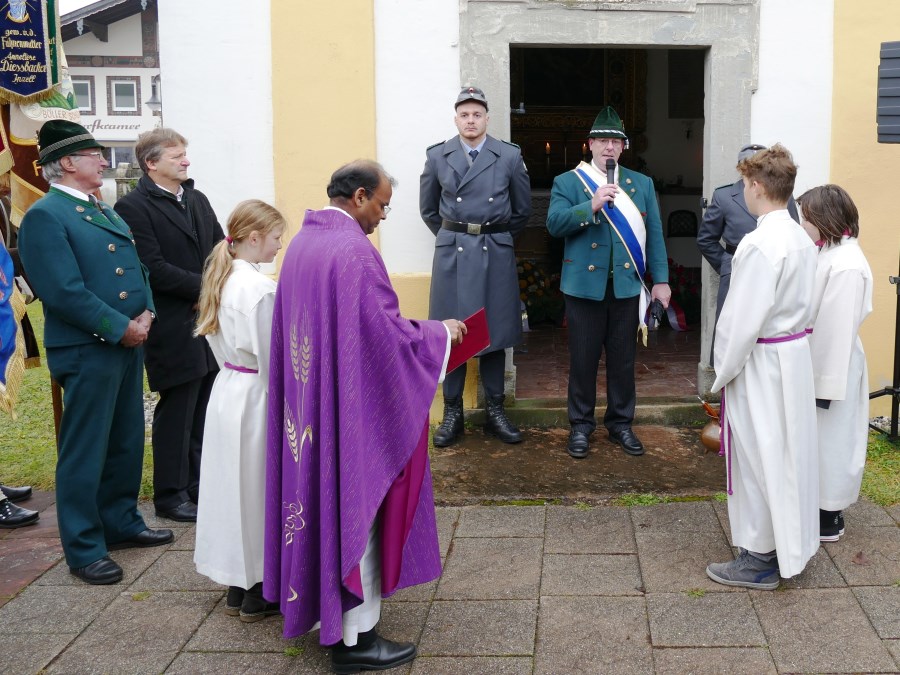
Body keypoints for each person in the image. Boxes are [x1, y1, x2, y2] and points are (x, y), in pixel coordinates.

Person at [265, 160, 466, 673]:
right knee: (360, 505)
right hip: (345, 415)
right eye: (381, 204)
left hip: (311, 406)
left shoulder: (305, 243)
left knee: (318, 504)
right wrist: (440, 333)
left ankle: (327, 613)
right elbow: (386, 336)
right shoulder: (354, 250)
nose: (382, 216)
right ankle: (355, 639)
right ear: (358, 196)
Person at [18, 120, 173, 585]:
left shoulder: (100, 209)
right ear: (67, 162)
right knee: (85, 450)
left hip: (127, 341)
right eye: (94, 155)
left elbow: (137, 268)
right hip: (89, 348)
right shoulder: (48, 215)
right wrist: (118, 326)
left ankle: (121, 522)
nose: (104, 161)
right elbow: (62, 291)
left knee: (125, 439)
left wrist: (145, 315)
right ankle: (84, 547)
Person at [705, 144, 818, 590]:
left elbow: (740, 320)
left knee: (757, 455)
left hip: (762, 361)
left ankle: (759, 558)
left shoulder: (758, 242)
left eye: (745, 184)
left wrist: (722, 372)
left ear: (755, 186)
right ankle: (791, 543)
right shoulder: (799, 236)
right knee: (788, 453)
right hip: (792, 356)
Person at [546, 106, 670, 459]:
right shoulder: (569, 182)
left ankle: (620, 424)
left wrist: (660, 281)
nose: (608, 147)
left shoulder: (641, 184)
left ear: (624, 147)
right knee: (583, 360)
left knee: (622, 361)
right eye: (602, 140)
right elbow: (554, 224)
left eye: (615, 141)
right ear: (590, 144)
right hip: (584, 289)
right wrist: (591, 205)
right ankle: (581, 426)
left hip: (626, 287)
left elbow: (656, 237)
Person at [115, 128, 225, 523]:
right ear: (151, 163)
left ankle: (198, 485)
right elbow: (152, 267)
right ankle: (170, 494)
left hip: (207, 320)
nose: (186, 161)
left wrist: (214, 289)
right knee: (178, 407)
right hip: (172, 323)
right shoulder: (133, 208)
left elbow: (219, 250)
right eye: (177, 156)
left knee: (205, 406)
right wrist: (203, 288)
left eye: (185, 154)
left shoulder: (196, 199)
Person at [420, 86, 531, 447]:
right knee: (451, 333)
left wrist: (489, 236)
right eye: (464, 114)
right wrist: (458, 237)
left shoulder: (509, 156)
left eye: (477, 114)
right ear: (456, 118)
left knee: (494, 332)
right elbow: (429, 210)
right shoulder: (438, 156)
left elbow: (522, 211)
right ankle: (453, 413)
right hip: (453, 253)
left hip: (494, 251)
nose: (471, 120)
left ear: (486, 118)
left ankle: (496, 411)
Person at [194, 199, 285, 622]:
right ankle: (260, 589)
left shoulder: (224, 278)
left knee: (233, 489)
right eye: (276, 237)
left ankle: (237, 583)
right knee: (258, 491)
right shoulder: (259, 290)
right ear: (253, 238)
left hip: (228, 388)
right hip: (257, 394)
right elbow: (274, 359)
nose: (280, 246)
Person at [797, 185, 873, 543]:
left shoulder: (847, 265)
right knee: (817, 441)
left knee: (832, 442)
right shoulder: (830, 251)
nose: (803, 224)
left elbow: (835, 328)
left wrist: (823, 386)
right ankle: (814, 506)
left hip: (832, 363)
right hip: (816, 355)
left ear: (824, 219)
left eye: (807, 218)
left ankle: (828, 516)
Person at [696, 144, 800, 357]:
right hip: (736, 266)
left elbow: (793, 230)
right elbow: (706, 239)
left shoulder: (784, 196)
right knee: (731, 331)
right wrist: (726, 264)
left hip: (774, 269)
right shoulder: (724, 196)